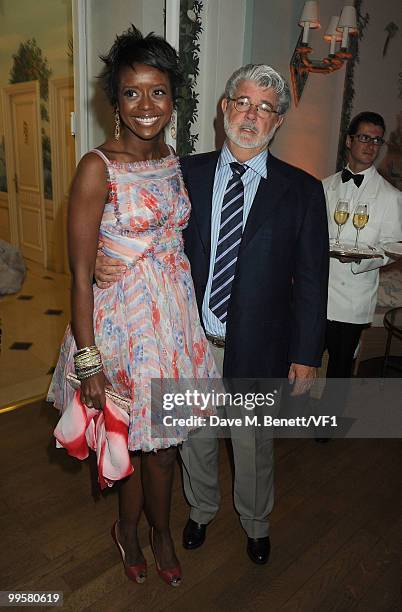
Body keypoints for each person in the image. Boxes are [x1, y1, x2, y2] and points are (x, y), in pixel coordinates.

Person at [96, 63, 329, 565]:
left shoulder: (303, 191)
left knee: (252, 446)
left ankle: (256, 521)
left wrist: (306, 355)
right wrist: (98, 256)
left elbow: (312, 280)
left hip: (259, 345)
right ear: (224, 110)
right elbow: (139, 230)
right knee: (194, 440)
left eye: (265, 107)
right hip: (188, 340)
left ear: (278, 121)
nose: (251, 114)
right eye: (242, 102)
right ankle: (200, 509)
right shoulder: (185, 173)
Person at [48, 26, 219, 588]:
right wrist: (89, 364)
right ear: (114, 101)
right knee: (128, 440)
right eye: (131, 92)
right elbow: (79, 273)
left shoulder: (174, 158)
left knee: (165, 449)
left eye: (158, 92)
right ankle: (127, 530)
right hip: (121, 330)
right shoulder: (97, 166)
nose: (146, 105)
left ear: (174, 99)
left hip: (173, 326)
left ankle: (162, 531)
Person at [323, 111, 402, 384]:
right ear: (349, 141)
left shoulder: (392, 197)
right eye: (364, 137)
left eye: (377, 140)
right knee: (300, 363)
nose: (370, 145)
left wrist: (360, 259)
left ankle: (328, 426)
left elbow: (393, 247)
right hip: (317, 294)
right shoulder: (323, 187)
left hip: (353, 300)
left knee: (339, 372)